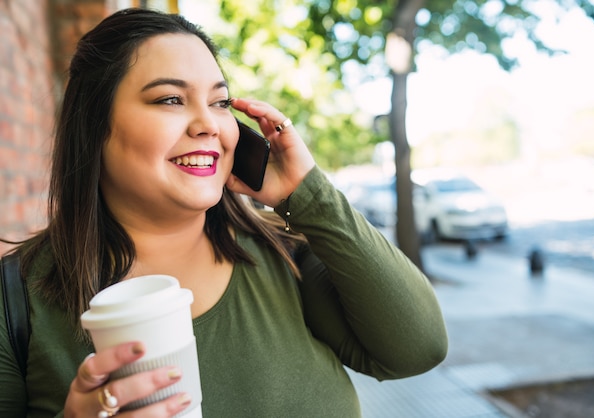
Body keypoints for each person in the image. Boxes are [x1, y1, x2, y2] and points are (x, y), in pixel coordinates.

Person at [0, 8, 447, 418]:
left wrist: (309, 197)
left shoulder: (285, 253)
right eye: (170, 100)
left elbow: (418, 349)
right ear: (94, 127)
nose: (209, 124)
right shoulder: (15, 300)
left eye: (219, 102)